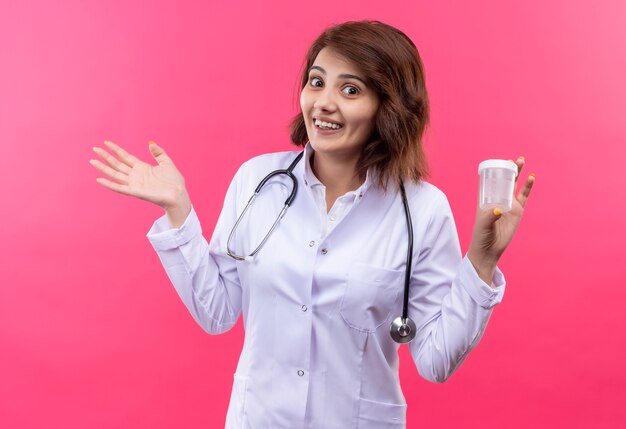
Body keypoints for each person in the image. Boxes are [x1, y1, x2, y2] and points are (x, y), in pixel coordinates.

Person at [90, 20, 534, 429]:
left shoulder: (421, 209)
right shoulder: (257, 182)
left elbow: (436, 361)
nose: (323, 102)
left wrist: (481, 262)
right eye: (316, 82)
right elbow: (217, 311)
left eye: (351, 90)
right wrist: (178, 211)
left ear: (390, 105)